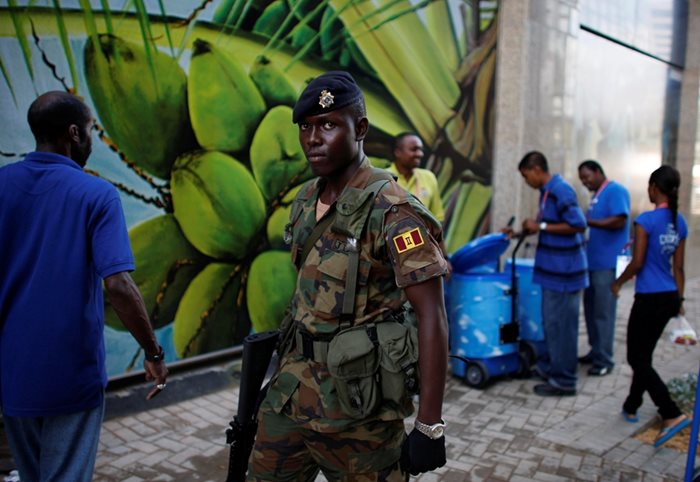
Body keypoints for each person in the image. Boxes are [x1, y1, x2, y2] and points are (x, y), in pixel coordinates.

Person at [247, 71, 449, 480]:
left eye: (328, 125)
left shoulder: (395, 212)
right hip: (289, 397)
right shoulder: (305, 199)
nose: (313, 138)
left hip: (359, 412)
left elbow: (432, 316)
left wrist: (429, 425)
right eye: (306, 126)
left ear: (360, 129)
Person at [0, 91, 168, 481]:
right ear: (74, 133)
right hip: (70, 376)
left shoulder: (3, 185)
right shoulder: (96, 194)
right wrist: (153, 350)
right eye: (91, 130)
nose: (91, 139)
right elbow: (120, 285)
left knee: (32, 475)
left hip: (13, 374)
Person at [612, 165, 689, 447]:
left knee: (637, 358)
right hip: (668, 296)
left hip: (649, 299)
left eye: (649, 185)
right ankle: (632, 404)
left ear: (655, 187)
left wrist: (618, 283)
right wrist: (679, 301)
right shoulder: (679, 222)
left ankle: (671, 413)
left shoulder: (645, 220)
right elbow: (679, 267)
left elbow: (638, 262)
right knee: (644, 354)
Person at [513, 151, 588, 397]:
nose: (526, 182)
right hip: (551, 272)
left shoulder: (560, 190)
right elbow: (546, 226)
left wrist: (541, 226)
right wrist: (517, 232)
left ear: (536, 169)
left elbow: (578, 224)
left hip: (564, 274)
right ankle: (550, 368)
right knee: (551, 325)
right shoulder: (545, 192)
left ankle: (564, 381)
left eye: (526, 177)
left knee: (562, 327)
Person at [577, 160, 630, 376]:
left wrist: (588, 223)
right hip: (592, 263)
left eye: (587, 177)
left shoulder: (615, 191)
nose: (585, 182)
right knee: (590, 311)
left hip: (607, 265)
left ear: (598, 172)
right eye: (582, 180)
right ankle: (595, 350)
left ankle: (605, 360)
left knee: (603, 313)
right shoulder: (596, 196)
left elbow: (619, 220)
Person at [387, 133, 445, 223]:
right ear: (398, 152)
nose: (420, 154)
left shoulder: (428, 177)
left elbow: (438, 217)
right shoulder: (382, 179)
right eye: (414, 149)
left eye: (421, 150)